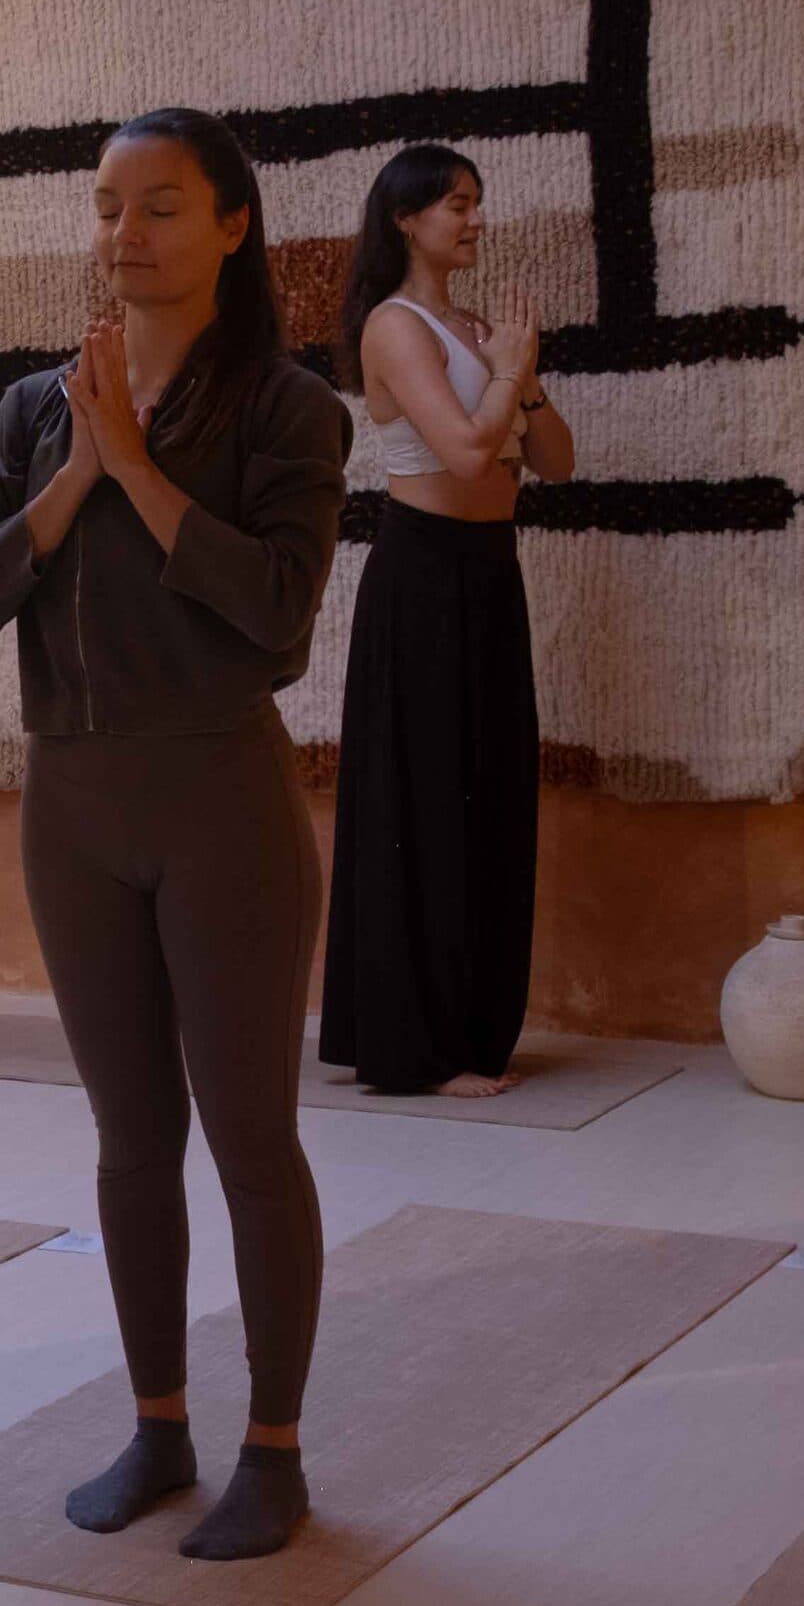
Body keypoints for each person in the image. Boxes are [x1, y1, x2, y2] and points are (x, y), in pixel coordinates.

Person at [0, 107, 352, 1561]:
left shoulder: (289, 407)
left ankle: (274, 1451)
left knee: (249, 1138)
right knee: (130, 1139)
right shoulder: (32, 408)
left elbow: (278, 615)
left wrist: (142, 469)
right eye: (109, 205)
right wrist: (76, 473)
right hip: (72, 809)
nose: (127, 233)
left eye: (162, 206)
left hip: (220, 804)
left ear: (233, 225)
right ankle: (157, 1427)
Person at [318, 143, 574, 1098]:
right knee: (423, 803)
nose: (474, 220)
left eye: (476, 203)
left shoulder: (477, 331)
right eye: (455, 205)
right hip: (422, 575)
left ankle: (471, 1031)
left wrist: (523, 377)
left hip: (489, 572)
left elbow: (555, 462)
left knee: (488, 794)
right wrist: (505, 374)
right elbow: (467, 453)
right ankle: (413, 1048)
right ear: (404, 218)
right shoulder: (397, 326)